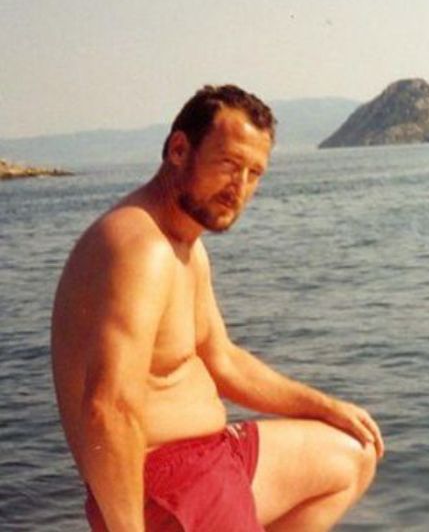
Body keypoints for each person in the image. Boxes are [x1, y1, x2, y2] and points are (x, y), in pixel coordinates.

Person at [51, 85, 384, 532]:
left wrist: (326, 407)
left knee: (352, 455)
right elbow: (109, 409)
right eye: (229, 164)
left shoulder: (184, 243)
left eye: (254, 173)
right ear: (178, 150)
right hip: (168, 487)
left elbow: (222, 358)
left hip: (211, 457)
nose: (240, 188)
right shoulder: (139, 247)